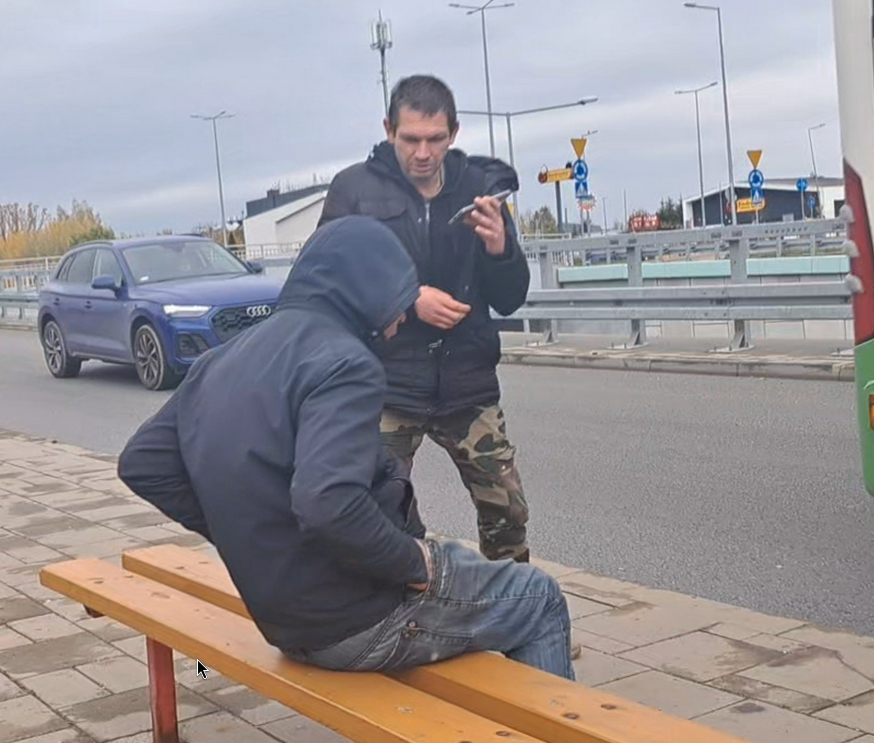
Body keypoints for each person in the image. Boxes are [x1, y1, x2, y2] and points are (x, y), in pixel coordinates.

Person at [116, 216, 575, 680]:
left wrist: (248, 535)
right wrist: (414, 565)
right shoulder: (344, 362)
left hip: (283, 618)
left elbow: (143, 463)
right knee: (539, 597)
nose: (402, 317)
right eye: (398, 298)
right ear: (365, 291)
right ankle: (554, 715)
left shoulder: (221, 358)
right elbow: (326, 502)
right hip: (359, 619)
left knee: (474, 578)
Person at [317, 74, 535, 565]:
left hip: (467, 383)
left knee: (508, 513)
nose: (423, 153)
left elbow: (511, 298)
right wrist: (406, 298)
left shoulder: (479, 189)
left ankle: (515, 606)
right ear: (388, 130)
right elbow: (326, 278)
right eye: (410, 139)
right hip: (387, 384)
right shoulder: (353, 191)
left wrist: (500, 250)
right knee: (376, 514)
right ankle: (396, 604)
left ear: (453, 133)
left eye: (435, 139)